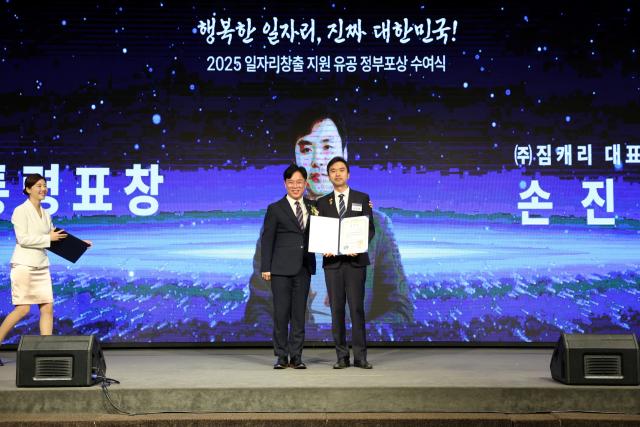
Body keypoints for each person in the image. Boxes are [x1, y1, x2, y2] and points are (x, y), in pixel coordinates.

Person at [245, 112, 412, 330]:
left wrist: (354, 337)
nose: (317, 161)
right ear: (294, 161)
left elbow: (400, 310)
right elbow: (259, 308)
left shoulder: (376, 226)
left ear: (344, 154)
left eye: (327, 147)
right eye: (306, 150)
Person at [0, 174, 91, 366]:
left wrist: (79, 244)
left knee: (47, 308)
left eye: (44, 185)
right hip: (24, 265)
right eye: (38, 186)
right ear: (28, 189)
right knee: (23, 309)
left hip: (41, 265)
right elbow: (23, 239)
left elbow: (55, 238)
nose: (43, 189)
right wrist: (48, 238)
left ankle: (46, 352)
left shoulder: (45, 213)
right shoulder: (20, 211)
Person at [316, 156, 374, 369]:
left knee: (357, 309)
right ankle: (341, 356)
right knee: (336, 310)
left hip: (355, 262)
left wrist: (359, 245)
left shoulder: (362, 198)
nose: (337, 174)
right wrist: (323, 246)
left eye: (341, 170)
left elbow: (370, 228)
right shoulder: (322, 202)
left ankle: (360, 356)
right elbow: (319, 231)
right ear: (329, 176)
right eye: (333, 171)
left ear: (348, 174)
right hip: (333, 265)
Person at [260, 164, 316, 369]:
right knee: (281, 314)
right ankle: (282, 356)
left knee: (299, 314)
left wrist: (367, 206)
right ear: (285, 184)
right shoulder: (275, 208)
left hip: (304, 267)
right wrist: (266, 267)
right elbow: (267, 239)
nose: (295, 186)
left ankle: (297, 356)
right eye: (291, 182)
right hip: (280, 269)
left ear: (305, 184)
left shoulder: (314, 207)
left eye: (299, 182)